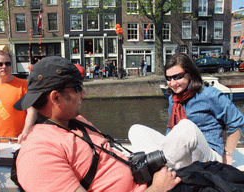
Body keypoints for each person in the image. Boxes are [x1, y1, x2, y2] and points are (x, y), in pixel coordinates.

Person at [14, 56, 180, 192]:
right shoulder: (39, 153)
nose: (84, 93)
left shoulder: (76, 122)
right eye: (78, 88)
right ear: (56, 97)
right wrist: (158, 188)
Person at [129, 53, 244, 170]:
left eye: (178, 76)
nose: (172, 83)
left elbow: (238, 121)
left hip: (209, 156)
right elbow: (171, 131)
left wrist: (228, 154)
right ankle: (161, 164)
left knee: (186, 126)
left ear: (190, 75)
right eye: (168, 78)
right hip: (184, 157)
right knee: (136, 130)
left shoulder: (209, 94)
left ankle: (152, 166)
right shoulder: (173, 99)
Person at [0, 50, 37, 142]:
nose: (4, 67)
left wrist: (25, 133)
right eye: (0, 64)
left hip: (20, 140)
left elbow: (32, 110)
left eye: (7, 63)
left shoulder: (24, 85)